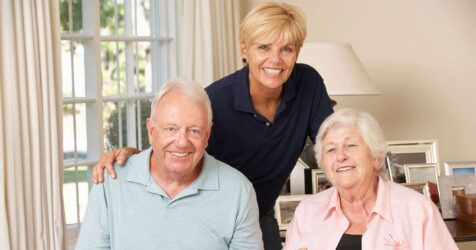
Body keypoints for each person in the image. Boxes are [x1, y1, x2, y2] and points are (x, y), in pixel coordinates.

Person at [92, 2, 333, 249]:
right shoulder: (215, 102)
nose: (275, 59)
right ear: (244, 49)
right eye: (263, 47)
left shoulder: (308, 84)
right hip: (211, 216)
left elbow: (332, 144)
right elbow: (173, 150)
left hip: (261, 214)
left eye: (287, 49)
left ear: (298, 52)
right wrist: (131, 156)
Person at [76, 79, 263, 250]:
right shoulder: (111, 182)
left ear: (207, 135)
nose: (182, 142)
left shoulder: (238, 191)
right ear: (151, 130)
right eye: (171, 129)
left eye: (194, 131)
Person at [285, 109, 457, 250]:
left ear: (376, 157)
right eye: (330, 150)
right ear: (323, 164)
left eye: (350, 145)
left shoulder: (417, 210)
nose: (340, 156)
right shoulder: (307, 212)